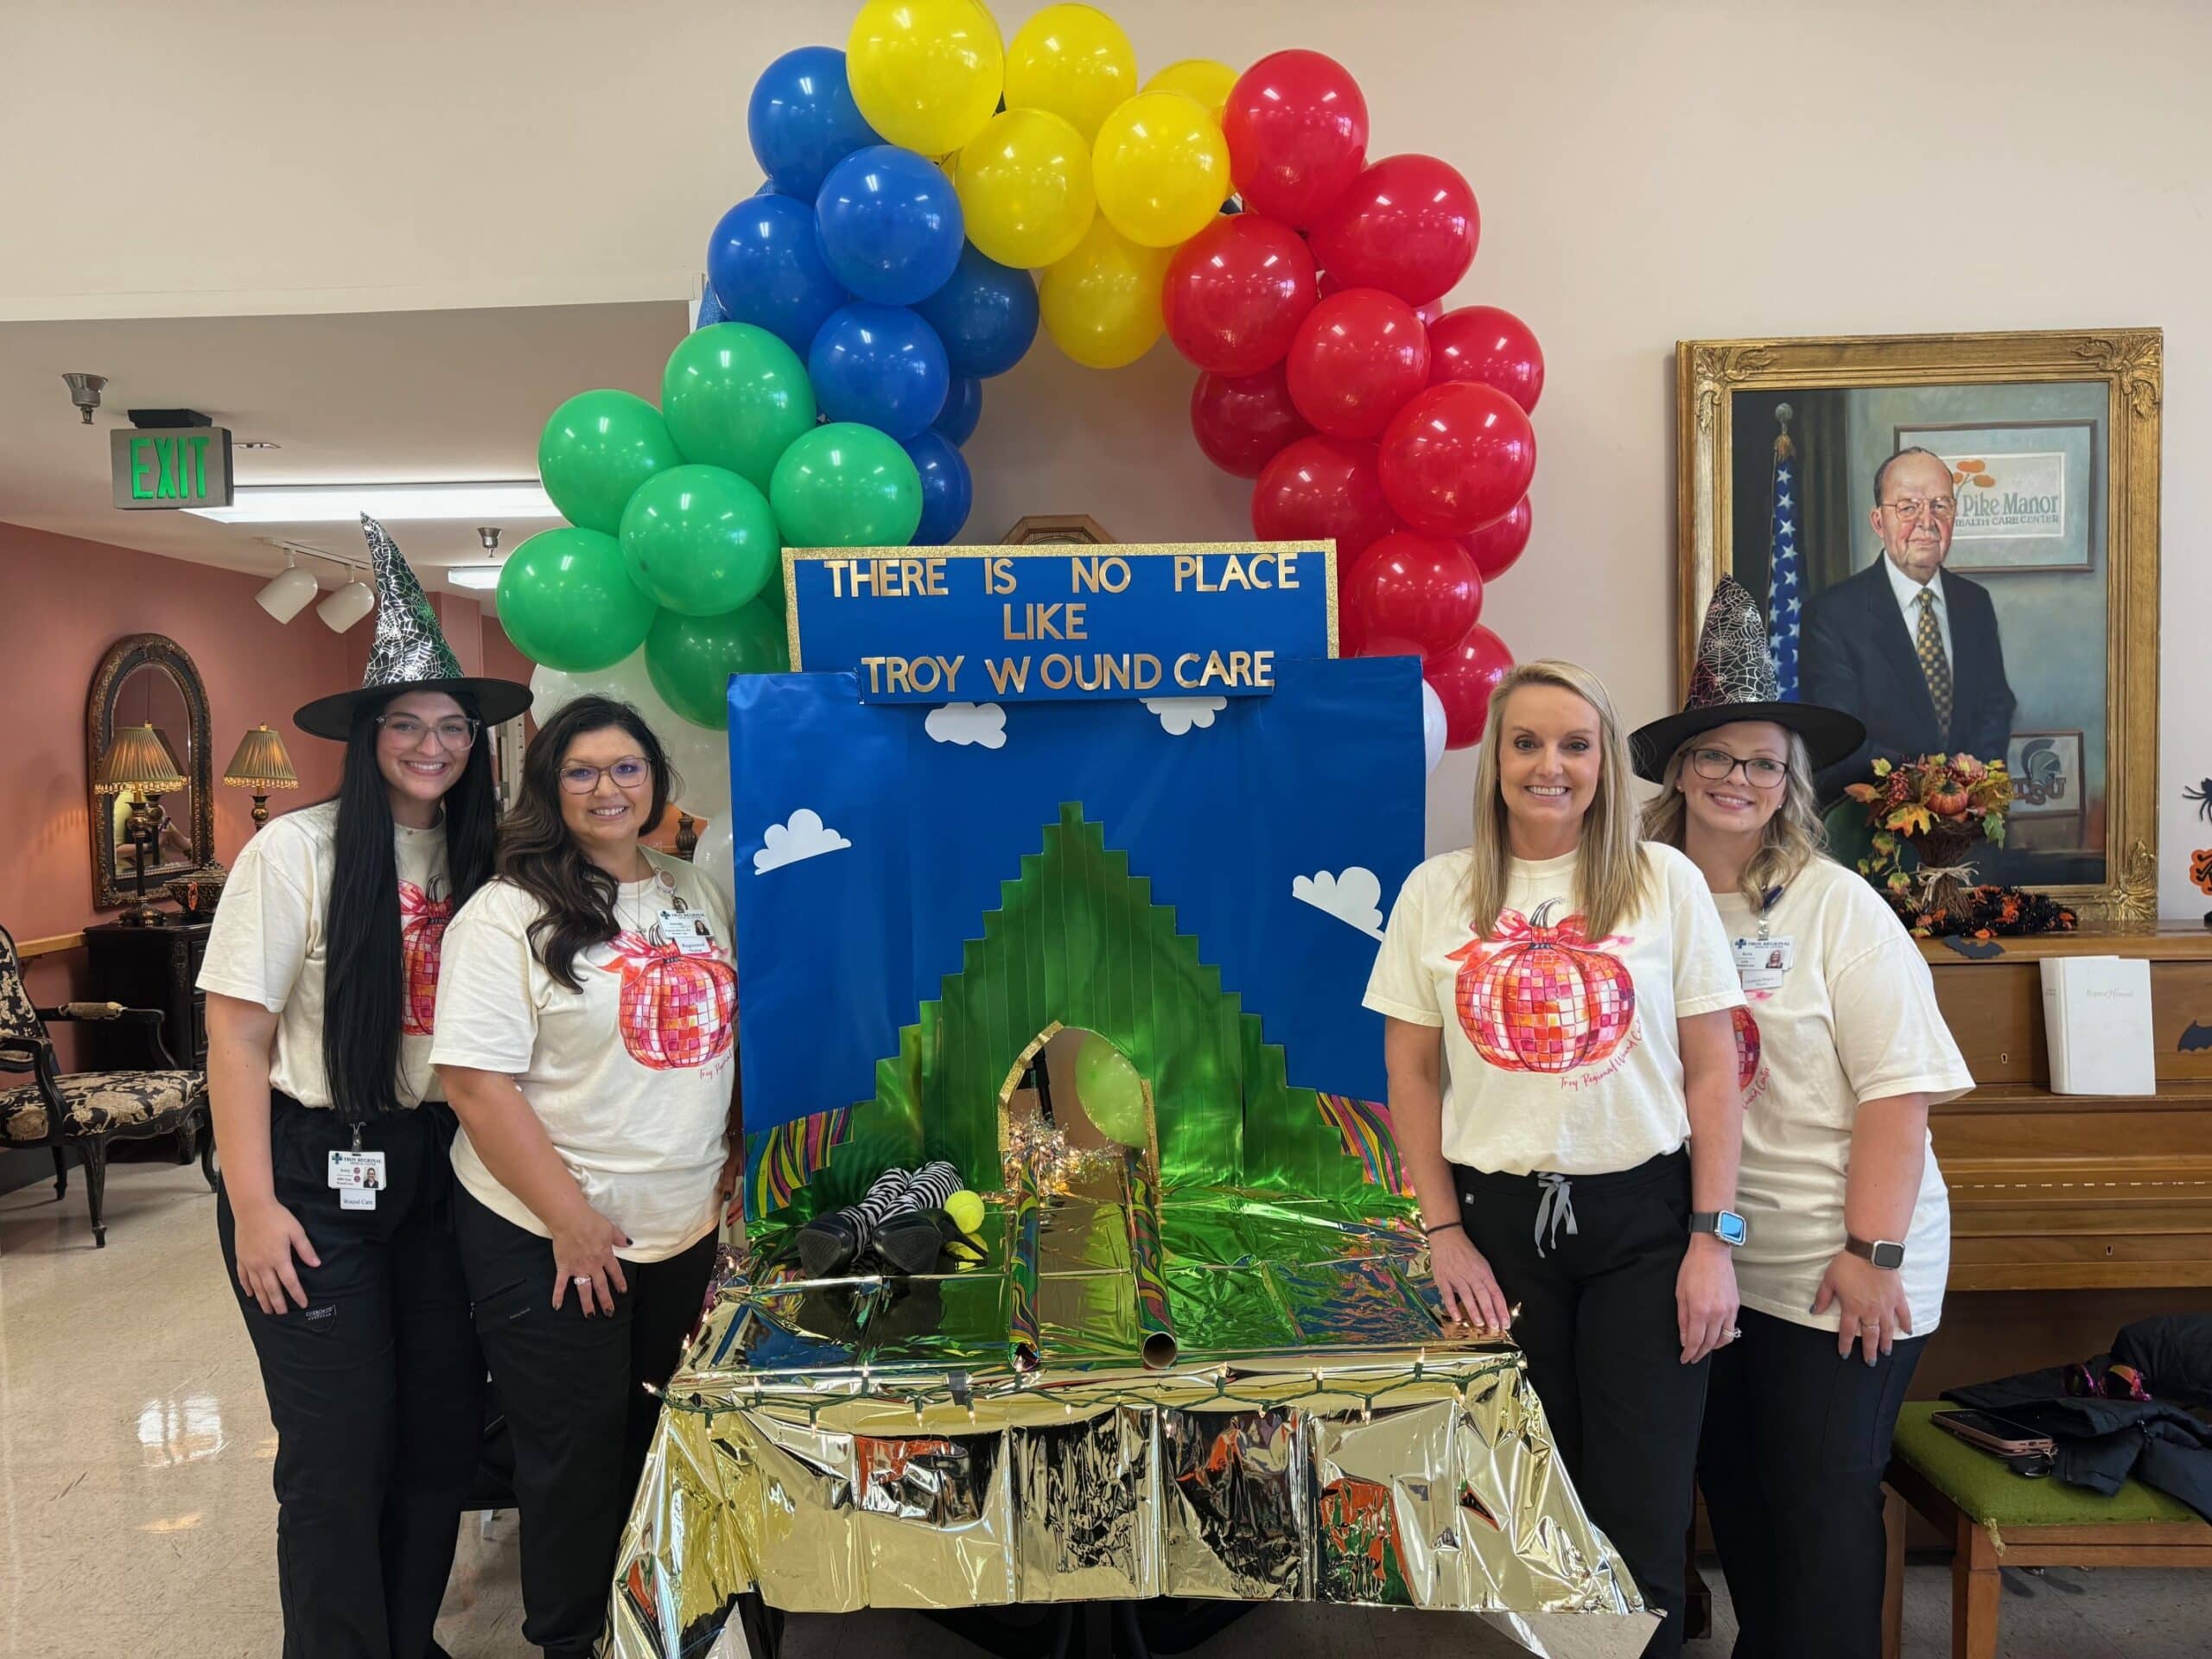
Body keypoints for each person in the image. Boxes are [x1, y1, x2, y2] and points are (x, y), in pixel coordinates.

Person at [1365, 659, 1747, 1658]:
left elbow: (1713, 1074)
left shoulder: (1663, 884)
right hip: (1496, 1233)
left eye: (1574, 744)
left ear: (1604, 763)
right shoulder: (1435, 892)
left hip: (1645, 1228)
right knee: (1531, 1509)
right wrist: (1441, 1234)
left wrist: (1715, 1239)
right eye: (1525, 743)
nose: (1550, 765)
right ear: (1493, 761)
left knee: (1643, 1509)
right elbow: (1410, 1076)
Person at [198, 517, 531, 1659]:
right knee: (338, 1449)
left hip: (449, 1173)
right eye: (409, 724)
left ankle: (406, 1638)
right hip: (312, 1169)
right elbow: (235, 1039)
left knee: (439, 1437)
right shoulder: (296, 856)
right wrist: (253, 1207)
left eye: (451, 727)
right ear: (369, 734)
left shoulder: (489, 861)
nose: (432, 745)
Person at [1634, 578, 1974, 1659]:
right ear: (1679, 769)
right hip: (1717, 1260)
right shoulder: (1641, 902)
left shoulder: (1837, 907)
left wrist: (1872, 1253)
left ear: (1790, 784)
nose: (1738, 778)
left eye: (1763, 762)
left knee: (1819, 1510)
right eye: (1716, 756)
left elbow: (1898, 1092)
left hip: (1838, 1264)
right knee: (1738, 1503)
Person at [432, 695, 739, 1659]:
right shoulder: (506, 911)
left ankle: (653, 1626)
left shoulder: (693, 887)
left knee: (662, 1433)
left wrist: (731, 1147)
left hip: (680, 1221)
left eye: (626, 769)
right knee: (571, 1452)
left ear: (655, 780)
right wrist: (568, 1220)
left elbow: (728, 1033)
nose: (608, 788)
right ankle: (568, 1637)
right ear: (548, 788)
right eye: (582, 771)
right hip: (547, 1229)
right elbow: (474, 1085)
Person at [1799, 446, 2016, 800]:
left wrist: (1974, 782)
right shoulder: (1830, 615)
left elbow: (1996, 705)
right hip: (1873, 833)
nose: (1926, 522)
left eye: (1940, 505)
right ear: (1878, 522)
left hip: (1971, 823)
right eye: (1908, 507)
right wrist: (1937, 781)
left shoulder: (1975, 603)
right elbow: (1840, 739)